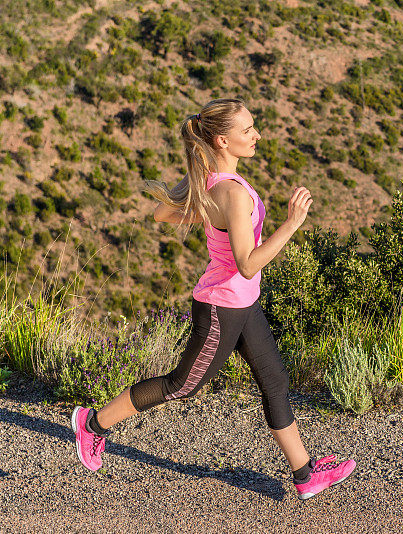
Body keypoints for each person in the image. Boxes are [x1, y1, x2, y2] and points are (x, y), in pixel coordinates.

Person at [69, 97, 355, 500]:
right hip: (222, 306)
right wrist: (291, 224)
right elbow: (248, 264)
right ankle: (92, 424)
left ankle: (306, 474)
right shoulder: (231, 193)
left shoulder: (216, 184)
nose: (256, 135)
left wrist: (203, 209)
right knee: (180, 386)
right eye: (246, 130)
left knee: (275, 381)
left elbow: (163, 214)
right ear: (221, 140)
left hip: (243, 304)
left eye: (254, 126)